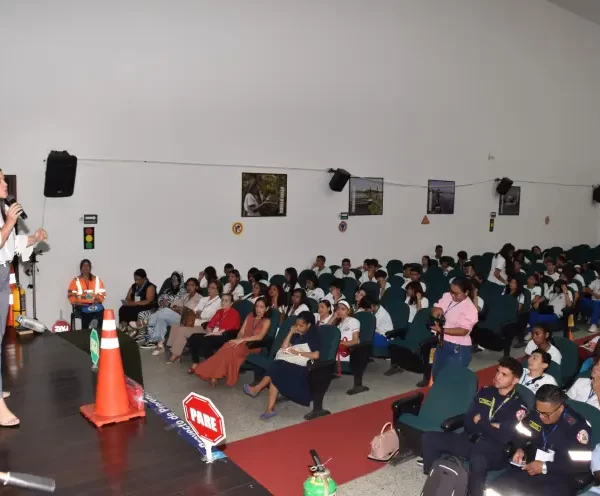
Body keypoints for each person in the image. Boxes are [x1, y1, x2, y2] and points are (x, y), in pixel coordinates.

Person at [420, 357, 527, 496]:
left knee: (478, 460)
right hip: (469, 439)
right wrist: (492, 426)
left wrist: (481, 422)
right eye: (497, 372)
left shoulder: (518, 407)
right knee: (429, 438)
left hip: (494, 450)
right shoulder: (485, 392)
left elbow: (503, 436)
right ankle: (434, 478)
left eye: (504, 374)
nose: (497, 377)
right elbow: (469, 421)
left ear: (515, 380)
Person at [0, 171, 48, 427]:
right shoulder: (5, 213)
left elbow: (10, 243)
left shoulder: (1, 208)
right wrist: (9, 221)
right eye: (0, 180)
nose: (5, 183)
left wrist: (33, 238)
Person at [489, 385, 592, 496]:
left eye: (546, 414)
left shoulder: (576, 427)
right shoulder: (536, 414)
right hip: (531, 466)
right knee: (496, 488)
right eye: (539, 411)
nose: (541, 417)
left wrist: (545, 466)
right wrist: (519, 448)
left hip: (559, 476)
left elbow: (581, 464)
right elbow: (520, 435)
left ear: (561, 408)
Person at [243, 311, 320, 420]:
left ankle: (257, 389)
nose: (298, 327)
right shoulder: (297, 333)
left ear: (309, 325)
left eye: (301, 325)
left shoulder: (314, 335)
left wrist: (298, 353)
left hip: (303, 368)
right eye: (296, 325)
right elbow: (284, 348)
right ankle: (269, 409)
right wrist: (290, 332)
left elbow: (316, 355)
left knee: (277, 366)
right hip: (289, 363)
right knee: (277, 368)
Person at [194, 297, 271, 387]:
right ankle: (214, 374)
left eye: (261, 307)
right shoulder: (250, 315)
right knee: (227, 346)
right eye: (257, 306)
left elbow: (259, 337)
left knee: (229, 350)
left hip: (252, 346)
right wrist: (237, 340)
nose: (258, 309)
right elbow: (241, 331)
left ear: (267, 308)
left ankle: (213, 374)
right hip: (240, 342)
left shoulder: (267, 321)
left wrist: (242, 340)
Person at [429, 277, 479, 380]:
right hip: (442, 342)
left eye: (456, 293)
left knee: (452, 378)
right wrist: (436, 311)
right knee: (437, 374)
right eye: (451, 291)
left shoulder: (470, 308)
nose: (452, 295)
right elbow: (435, 308)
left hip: (458, 347)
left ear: (466, 292)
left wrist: (442, 330)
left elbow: (463, 331)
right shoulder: (447, 296)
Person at [165, 280, 222, 363]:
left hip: (205, 326)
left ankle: (175, 355)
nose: (209, 289)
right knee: (175, 325)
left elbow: (209, 315)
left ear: (218, 290)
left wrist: (200, 314)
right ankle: (172, 349)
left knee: (182, 330)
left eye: (213, 288)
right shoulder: (204, 299)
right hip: (194, 322)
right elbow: (194, 310)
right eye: (209, 287)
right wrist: (198, 313)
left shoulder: (219, 302)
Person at [141, 277, 202, 353]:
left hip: (186, 320)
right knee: (161, 317)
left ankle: (147, 321)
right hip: (178, 317)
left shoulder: (200, 298)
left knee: (165, 311)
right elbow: (174, 305)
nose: (189, 287)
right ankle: (160, 344)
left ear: (196, 287)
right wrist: (176, 308)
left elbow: (188, 311)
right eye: (188, 285)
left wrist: (176, 308)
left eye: (192, 285)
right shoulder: (185, 295)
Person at [186, 293, 242, 372]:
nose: (223, 302)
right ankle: (196, 362)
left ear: (231, 303)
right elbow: (210, 325)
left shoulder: (234, 313)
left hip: (226, 336)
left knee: (206, 341)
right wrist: (209, 332)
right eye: (222, 300)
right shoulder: (219, 312)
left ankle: (212, 365)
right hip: (213, 334)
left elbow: (227, 329)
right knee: (194, 337)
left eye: (226, 301)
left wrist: (212, 334)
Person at [67, 259, 106, 330]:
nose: (86, 267)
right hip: (81, 306)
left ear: (90, 268)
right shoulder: (76, 280)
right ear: (81, 268)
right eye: (84, 266)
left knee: (101, 310)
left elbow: (102, 293)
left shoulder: (97, 279)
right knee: (87, 313)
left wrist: (98, 299)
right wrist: (75, 301)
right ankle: (87, 331)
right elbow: (70, 294)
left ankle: (98, 331)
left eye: (87, 265)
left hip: (94, 304)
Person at [118, 269, 157, 336]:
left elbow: (148, 301)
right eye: (135, 279)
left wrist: (134, 303)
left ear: (144, 278)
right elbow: (128, 298)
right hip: (135, 305)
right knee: (122, 308)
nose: (136, 281)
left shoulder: (150, 286)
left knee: (136, 311)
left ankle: (135, 330)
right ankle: (125, 327)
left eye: (138, 279)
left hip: (147, 306)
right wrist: (128, 303)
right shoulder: (134, 286)